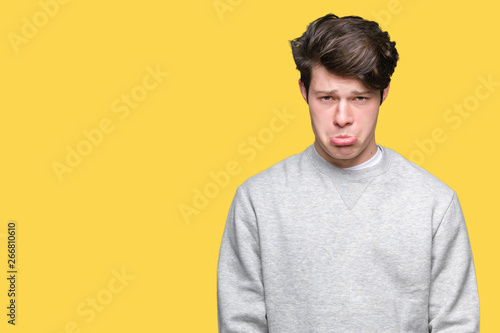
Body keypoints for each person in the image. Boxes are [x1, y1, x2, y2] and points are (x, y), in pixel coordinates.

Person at [217, 13, 479, 332]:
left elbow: (457, 323)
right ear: (304, 91)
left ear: (383, 94)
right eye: (327, 98)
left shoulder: (435, 203)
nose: (343, 117)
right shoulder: (258, 200)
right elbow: (240, 321)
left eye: (359, 98)